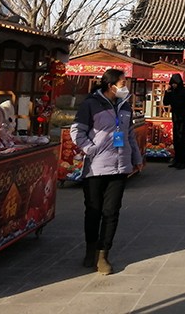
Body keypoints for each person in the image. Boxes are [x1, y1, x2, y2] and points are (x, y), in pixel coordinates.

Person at [70, 68, 142, 275]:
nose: (125, 86)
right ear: (111, 86)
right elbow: (77, 131)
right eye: (122, 83)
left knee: (111, 212)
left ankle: (103, 254)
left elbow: (129, 134)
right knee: (93, 211)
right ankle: (90, 249)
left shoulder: (125, 106)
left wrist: (136, 158)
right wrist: (92, 149)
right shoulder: (91, 105)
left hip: (120, 166)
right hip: (96, 166)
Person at [163, 73, 185, 169]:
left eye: (175, 83)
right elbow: (166, 102)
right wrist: (167, 92)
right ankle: (176, 159)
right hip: (176, 118)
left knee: (183, 140)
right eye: (172, 83)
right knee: (176, 139)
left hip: (184, 120)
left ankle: (182, 161)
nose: (174, 85)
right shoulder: (172, 92)